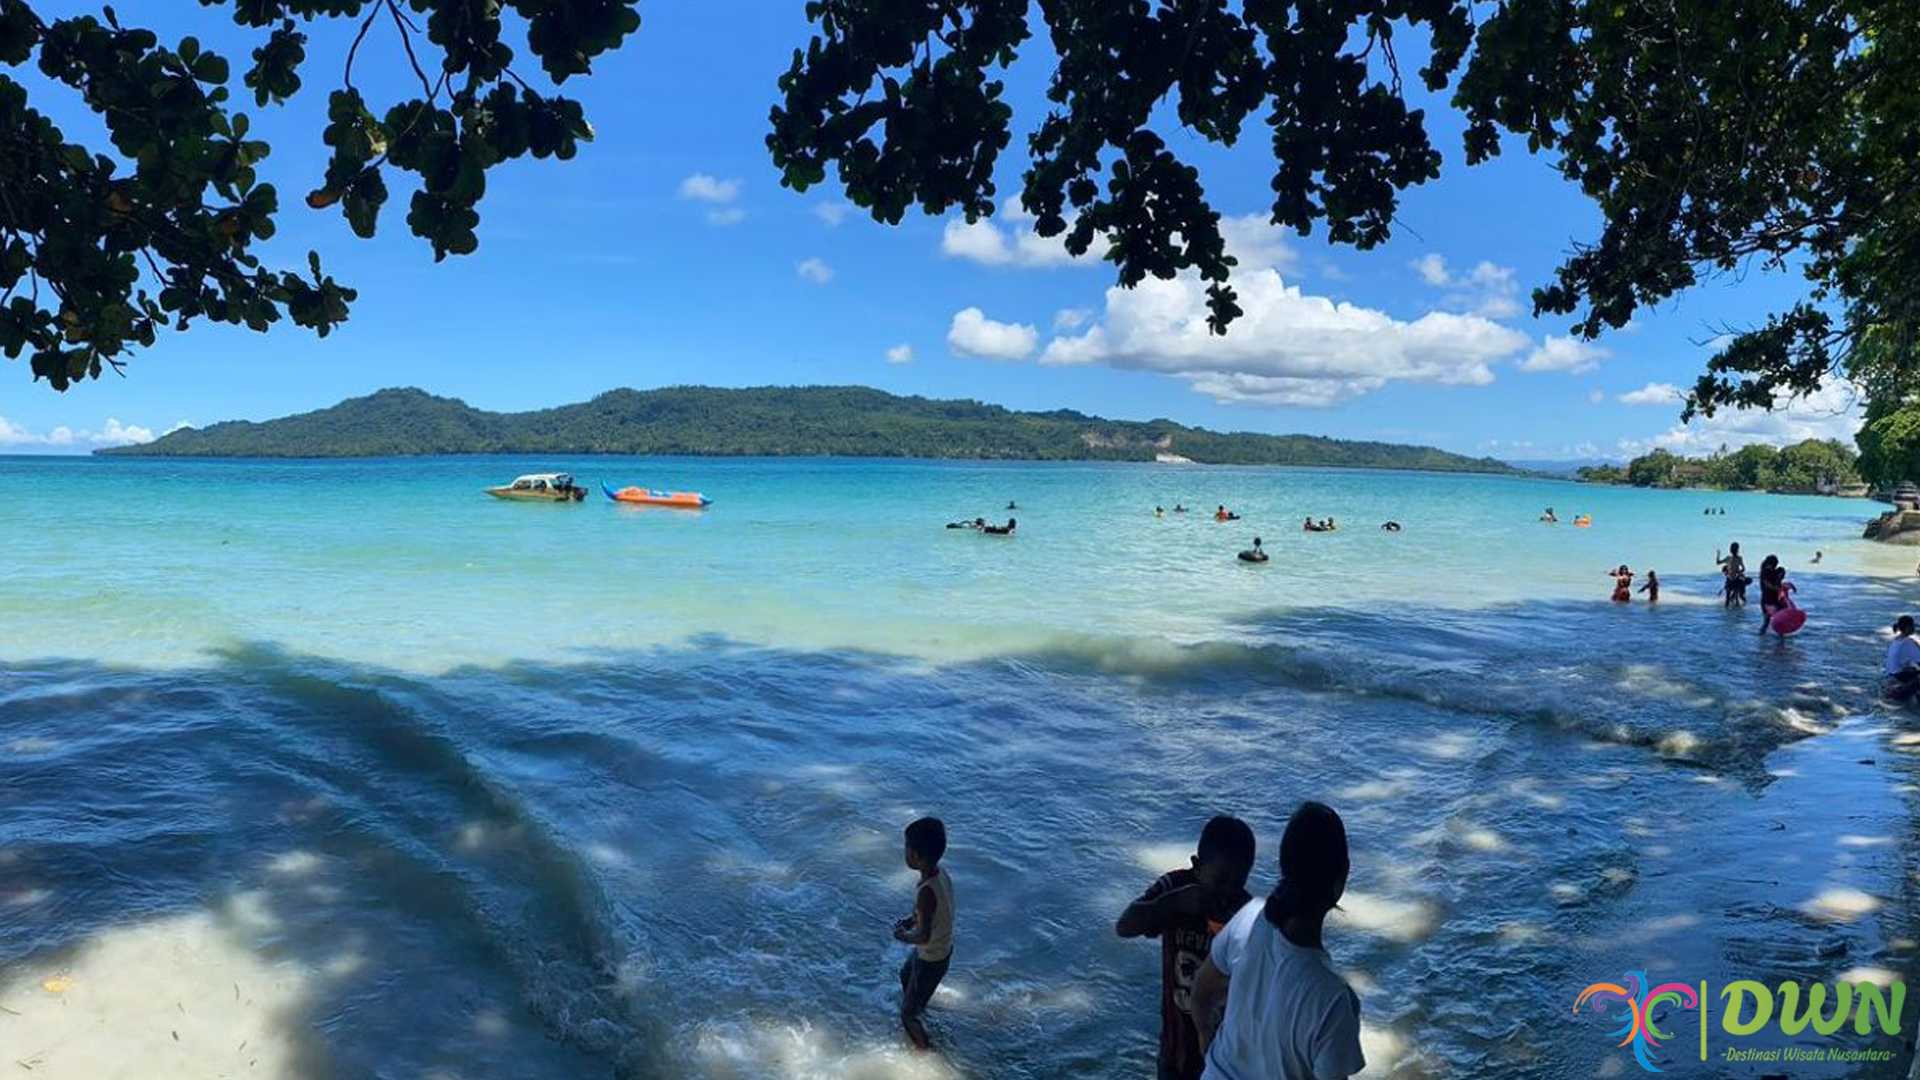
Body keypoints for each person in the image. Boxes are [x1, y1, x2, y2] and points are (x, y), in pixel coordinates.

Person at [1190, 802, 1364, 1080]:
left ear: (1282, 865)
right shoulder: (1332, 1000)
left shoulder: (1247, 920)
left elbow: (1200, 993)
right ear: (1340, 881)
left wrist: (1206, 1040)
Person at [1116, 816, 1258, 1080]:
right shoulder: (1175, 889)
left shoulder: (1245, 913)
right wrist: (1170, 904)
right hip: (1176, 1053)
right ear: (1197, 866)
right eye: (1220, 880)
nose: (1227, 892)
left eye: (1238, 883)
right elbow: (1124, 927)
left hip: (1225, 1057)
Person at [892, 817, 954, 1051]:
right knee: (906, 975)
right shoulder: (940, 874)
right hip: (940, 951)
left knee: (907, 1015)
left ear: (917, 857)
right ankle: (919, 1007)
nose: (904, 852)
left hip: (930, 957)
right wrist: (910, 920)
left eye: (906, 847)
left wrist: (903, 936)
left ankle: (925, 1053)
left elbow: (924, 936)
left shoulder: (925, 892)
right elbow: (935, 912)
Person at [1886, 616, 1920, 700]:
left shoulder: (1896, 640)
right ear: (1908, 627)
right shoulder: (1908, 642)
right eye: (1913, 626)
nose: (1914, 629)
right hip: (1900, 674)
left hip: (1892, 672)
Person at [1716, 543, 1748, 608]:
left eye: (1735, 549)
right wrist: (1718, 554)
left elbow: (1743, 568)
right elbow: (1718, 562)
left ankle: (1737, 614)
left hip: (1736, 579)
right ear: (1731, 550)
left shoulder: (1739, 558)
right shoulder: (1728, 558)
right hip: (1729, 579)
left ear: (1737, 550)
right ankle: (1728, 615)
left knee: (1736, 598)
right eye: (1733, 549)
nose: (1734, 550)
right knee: (1727, 598)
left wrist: (1738, 572)